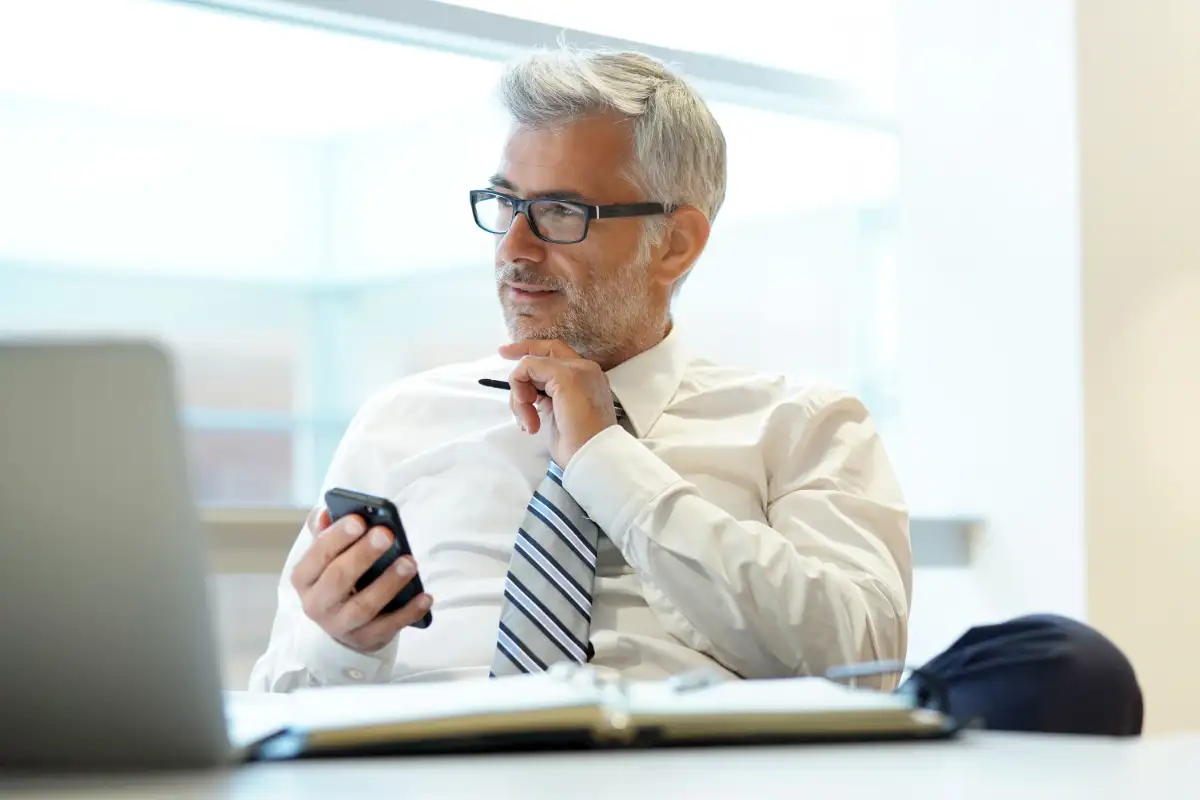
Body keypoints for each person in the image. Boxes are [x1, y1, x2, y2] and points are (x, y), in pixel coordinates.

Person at [250, 47, 1142, 736]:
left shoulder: (802, 425)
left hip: (692, 771)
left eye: (561, 213)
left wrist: (608, 461)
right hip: (426, 774)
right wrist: (340, 640)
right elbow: (273, 707)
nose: (514, 248)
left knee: (1069, 666)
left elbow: (861, 660)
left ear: (675, 245)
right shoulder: (401, 421)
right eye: (503, 202)